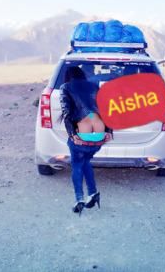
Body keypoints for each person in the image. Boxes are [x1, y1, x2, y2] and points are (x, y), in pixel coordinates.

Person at [59, 66, 113, 216]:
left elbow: (66, 112)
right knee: (85, 161)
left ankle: (79, 200)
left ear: (68, 76)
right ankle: (93, 193)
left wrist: (72, 134)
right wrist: (109, 131)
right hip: (99, 134)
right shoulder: (94, 86)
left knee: (77, 164)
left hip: (83, 135)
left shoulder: (65, 87)